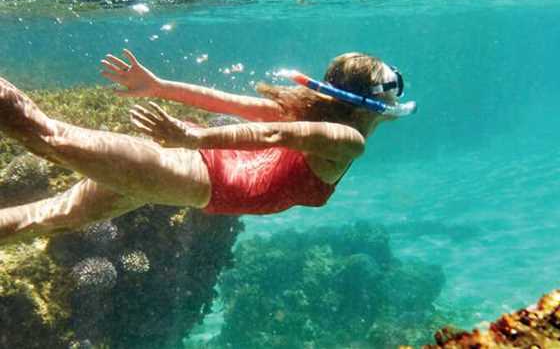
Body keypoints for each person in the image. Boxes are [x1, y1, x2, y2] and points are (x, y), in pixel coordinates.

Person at [0, 50, 413, 244]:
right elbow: (270, 136)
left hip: (177, 174)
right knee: (45, 135)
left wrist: (161, 88)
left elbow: (225, 102)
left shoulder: (309, 118)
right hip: (183, 171)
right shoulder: (347, 142)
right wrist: (194, 136)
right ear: (377, 100)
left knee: (54, 217)